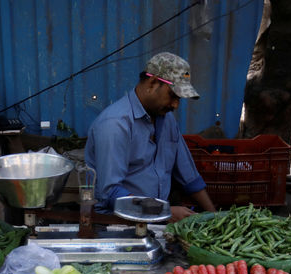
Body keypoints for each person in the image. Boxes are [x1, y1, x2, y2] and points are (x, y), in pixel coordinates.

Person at [85, 52, 216, 222]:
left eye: (179, 99)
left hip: (157, 220)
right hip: (118, 222)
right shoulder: (115, 125)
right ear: (152, 82)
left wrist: (214, 218)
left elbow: (189, 176)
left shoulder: (166, 119)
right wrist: (164, 212)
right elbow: (111, 193)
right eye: (172, 95)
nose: (175, 105)